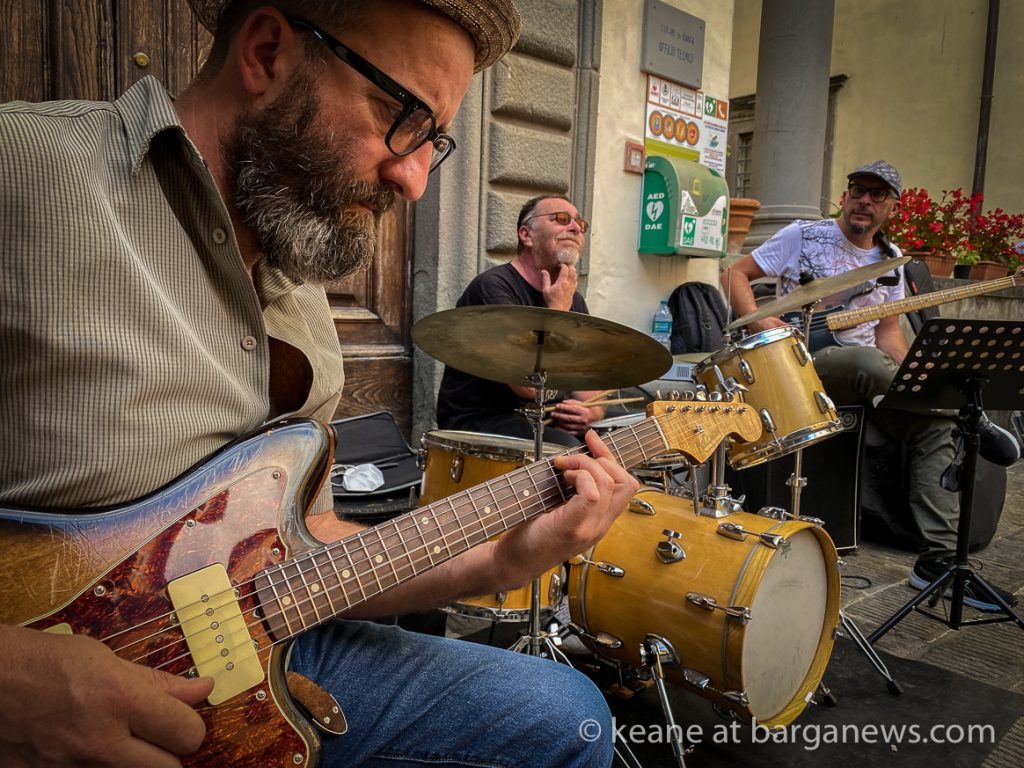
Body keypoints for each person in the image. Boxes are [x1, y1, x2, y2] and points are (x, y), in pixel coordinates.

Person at [0, 2, 640, 766]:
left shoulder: (302, 293)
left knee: (563, 715)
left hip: (255, 652)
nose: (413, 180)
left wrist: (506, 560)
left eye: (433, 141)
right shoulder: (23, 172)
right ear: (268, 52)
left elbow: (311, 546)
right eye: (399, 116)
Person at [720, 159, 1019, 612]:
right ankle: (964, 414)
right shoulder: (802, 235)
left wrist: (924, 382)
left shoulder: (891, 261)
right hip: (803, 365)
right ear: (845, 196)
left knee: (932, 425)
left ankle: (936, 561)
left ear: (891, 207)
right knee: (864, 361)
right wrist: (766, 321)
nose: (865, 199)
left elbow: (889, 336)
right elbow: (734, 274)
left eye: (877, 194)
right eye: (858, 189)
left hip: (868, 372)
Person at [435, 195, 608, 447]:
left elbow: (589, 384)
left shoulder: (574, 299)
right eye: (561, 218)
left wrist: (589, 412)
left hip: (542, 419)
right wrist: (558, 310)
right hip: (484, 420)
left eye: (581, 224)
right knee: (570, 451)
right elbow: (530, 388)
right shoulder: (494, 288)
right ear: (526, 235)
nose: (575, 227)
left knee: (611, 445)